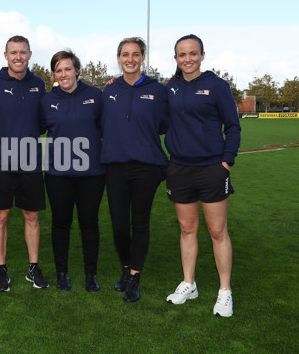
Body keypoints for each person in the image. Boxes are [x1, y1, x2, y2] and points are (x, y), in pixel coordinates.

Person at [164, 34, 240, 317]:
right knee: (187, 229)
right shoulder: (169, 87)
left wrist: (226, 163)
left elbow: (233, 126)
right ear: (175, 59)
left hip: (212, 169)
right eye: (182, 55)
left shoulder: (217, 86)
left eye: (192, 53)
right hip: (179, 168)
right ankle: (189, 283)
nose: (187, 59)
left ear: (202, 55)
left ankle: (224, 291)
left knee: (218, 232)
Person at [0, 35, 49, 292]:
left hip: (30, 162)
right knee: (2, 216)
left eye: (23, 52)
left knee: (31, 215)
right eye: (13, 52)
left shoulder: (38, 84)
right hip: (0, 164)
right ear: (6, 55)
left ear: (30, 54)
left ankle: (33, 267)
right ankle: (1, 269)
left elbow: (42, 122)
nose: (18, 56)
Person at [101, 37, 168, 302]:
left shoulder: (158, 90)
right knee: (119, 225)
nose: (130, 59)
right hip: (115, 166)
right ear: (118, 58)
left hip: (146, 167)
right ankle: (126, 267)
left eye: (136, 54)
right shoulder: (107, 90)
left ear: (142, 58)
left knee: (140, 223)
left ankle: (134, 275)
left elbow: (165, 124)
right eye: (125, 54)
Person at [41, 50, 105, 292]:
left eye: (68, 69)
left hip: (92, 174)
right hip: (58, 175)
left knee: (89, 223)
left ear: (77, 70)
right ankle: (62, 274)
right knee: (61, 224)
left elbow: (107, 128)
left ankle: (91, 275)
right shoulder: (47, 100)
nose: (63, 74)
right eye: (58, 70)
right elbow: (34, 128)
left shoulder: (96, 95)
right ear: (54, 74)